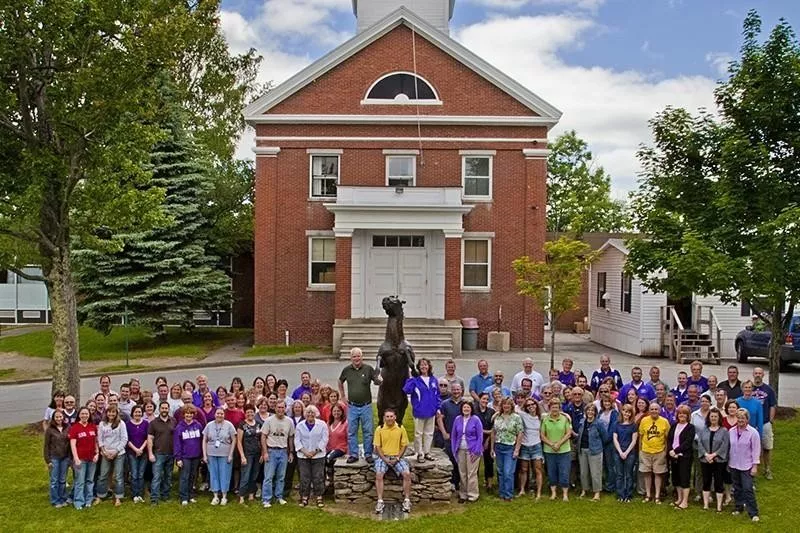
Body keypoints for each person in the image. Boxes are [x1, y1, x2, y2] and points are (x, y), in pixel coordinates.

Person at [339, 347, 381, 464]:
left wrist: (380, 378)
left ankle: (368, 454)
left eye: (358, 356)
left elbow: (377, 381)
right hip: (352, 407)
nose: (356, 358)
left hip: (366, 406)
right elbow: (340, 381)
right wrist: (342, 395)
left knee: (368, 431)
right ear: (351, 358)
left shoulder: (368, 369)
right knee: (352, 431)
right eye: (354, 356)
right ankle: (354, 454)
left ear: (362, 357)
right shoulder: (347, 370)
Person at [402, 357, 439, 463]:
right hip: (419, 411)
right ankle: (419, 453)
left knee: (429, 433)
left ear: (429, 367)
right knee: (418, 433)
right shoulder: (415, 380)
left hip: (431, 411)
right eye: (421, 365)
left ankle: (427, 452)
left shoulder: (433, 380)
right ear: (418, 367)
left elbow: (437, 395)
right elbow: (406, 390)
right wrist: (409, 378)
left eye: (426, 364)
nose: (424, 367)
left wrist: (438, 408)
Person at [261, 400, 295, 508]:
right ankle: (266, 499)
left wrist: (291, 452)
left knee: (281, 477)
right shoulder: (269, 421)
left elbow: (290, 437)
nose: (280, 410)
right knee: (269, 477)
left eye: (282, 408)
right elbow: (263, 436)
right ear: (275, 408)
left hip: (283, 451)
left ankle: (279, 496)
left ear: (285, 409)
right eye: (278, 407)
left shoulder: (289, 421)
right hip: (271, 450)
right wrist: (265, 452)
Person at [728, 408, 761, 522]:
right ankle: (738, 507)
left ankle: (753, 513)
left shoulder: (753, 432)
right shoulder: (731, 431)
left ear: (747, 419)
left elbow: (756, 450)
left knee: (747, 489)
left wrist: (755, 466)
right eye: (739, 417)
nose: (740, 420)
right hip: (734, 464)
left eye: (743, 418)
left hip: (747, 465)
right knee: (737, 488)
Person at [294, 405, 329, 508]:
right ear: (305, 414)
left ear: (316, 414)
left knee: (318, 476)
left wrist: (315, 451)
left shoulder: (322, 424)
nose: (310, 414)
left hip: (318, 455)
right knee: (305, 477)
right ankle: (304, 497)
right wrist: (305, 452)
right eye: (308, 412)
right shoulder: (300, 425)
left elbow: (325, 439)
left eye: (312, 412)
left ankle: (319, 496)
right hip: (303, 456)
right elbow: (297, 440)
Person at [451, 401, 484, 503]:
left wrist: (477, 451)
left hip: (473, 450)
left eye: (468, 408)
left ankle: (473, 495)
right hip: (460, 449)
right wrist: (454, 450)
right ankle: (463, 494)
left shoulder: (476, 420)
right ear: (461, 409)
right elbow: (454, 435)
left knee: (471, 473)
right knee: (462, 472)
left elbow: (480, 436)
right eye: (464, 407)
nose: (466, 409)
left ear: (471, 409)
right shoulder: (457, 419)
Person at [697, 407, 729, 512]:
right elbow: (700, 443)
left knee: (719, 482)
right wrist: (706, 455)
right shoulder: (703, 430)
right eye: (711, 416)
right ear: (709, 418)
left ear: (719, 418)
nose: (713, 418)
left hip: (719, 461)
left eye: (715, 416)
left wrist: (714, 455)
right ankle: (706, 504)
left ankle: (719, 506)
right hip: (705, 460)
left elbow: (725, 445)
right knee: (706, 481)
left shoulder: (724, 431)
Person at [490, 397, 523, 502]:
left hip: (510, 447)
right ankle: (502, 493)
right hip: (499, 446)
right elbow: (493, 432)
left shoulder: (516, 417)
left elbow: (520, 433)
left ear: (511, 406)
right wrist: (492, 448)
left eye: (508, 404)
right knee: (500, 471)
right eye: (504, 404)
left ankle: (508, 495)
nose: (506, 406)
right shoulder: (497, 417)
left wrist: (517, 449)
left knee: (508, 472)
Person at [540, 398, 572, 502]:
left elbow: (568, 433)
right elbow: (542, 435)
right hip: (549, 450)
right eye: (553, 407)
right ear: (549, 408)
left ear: (559, 408)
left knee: (564, 472)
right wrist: (551, 444)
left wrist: (559, 443)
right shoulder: (545, 420)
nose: (554, 409)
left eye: (556, 407)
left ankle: (565, 494)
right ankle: (553, 493)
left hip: (564, 450)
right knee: (551, 472)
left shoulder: (564, 419)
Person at [203, 407, 236, 505]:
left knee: (225, 474)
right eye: (218, 413)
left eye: (221, 414)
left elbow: (234, 439)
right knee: (213, 474)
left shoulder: (229, 425)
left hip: (225, 454)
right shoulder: (209, 425)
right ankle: (215, 496)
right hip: (211, 454)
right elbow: (204, 440)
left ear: (224, 415)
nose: (219, 415)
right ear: (214, 414)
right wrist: (204, 455)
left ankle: (224, 496)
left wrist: (230, 454)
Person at [638, 402, 670, 504]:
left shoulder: (664, 422)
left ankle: (657, 496)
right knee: (646, 473)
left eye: (656, 409)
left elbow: (667, 438)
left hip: (659, 452)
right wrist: (640, 450)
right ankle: (648, 494)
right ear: (649, 410)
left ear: (659, 411)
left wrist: (665, 451)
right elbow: (641, 436)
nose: (654, 411)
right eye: (652, 409)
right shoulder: (644, 420)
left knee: (658, 474)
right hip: (645, 451)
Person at [96, 406, 128, 507]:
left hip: (118, 453)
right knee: (103, 475)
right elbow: (100, 439)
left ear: (116, 413)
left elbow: (124, 439)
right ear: (106, 413)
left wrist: (115, 451)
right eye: (109, 412)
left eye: (113, 412)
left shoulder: (121, 423)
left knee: (118, 476)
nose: (111, 414)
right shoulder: (102, 424)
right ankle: (101, 495)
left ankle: (118, 497)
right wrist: (104, 451)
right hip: (105, 453)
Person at [68, 406, 99, 510]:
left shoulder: (92, 427)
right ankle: (78, 501)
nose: (84, 415)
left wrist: (97, 453)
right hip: (80, 458)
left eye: (86, 414)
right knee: (80, 481)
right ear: (79, 415)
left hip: (92, 458)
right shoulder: (75, 428)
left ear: (89, 415)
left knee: (90, 480)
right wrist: (76, 458)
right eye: (82, 414)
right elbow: (73, 444)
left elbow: (96, 442)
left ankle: (88, 500)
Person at [437, 382, 466, 491]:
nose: (456, 392)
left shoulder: (465, 403)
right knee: (451, 460)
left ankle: (462, 483)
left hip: (462, 438)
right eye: (454, 390)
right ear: (451, 390)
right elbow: (439, 418)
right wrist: (444, 433)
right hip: (450, 437)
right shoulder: (445, 404)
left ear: (461, 390)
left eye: (458, 389)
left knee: (461, 461)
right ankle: (452, 483)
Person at [667, 405, 695, 509]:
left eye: (684, 413)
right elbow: (669, 439)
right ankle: (679, 498)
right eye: (680, 413)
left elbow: (687, 442)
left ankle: (685, 501)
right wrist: (670, 450)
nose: (681, 415)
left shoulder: (690, 427)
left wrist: (676, 450)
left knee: (684, 478)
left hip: (684, 456)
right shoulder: (674, 425)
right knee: (676, 478)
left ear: (688, 416)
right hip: (673, 456)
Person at [174, 406, 203, 506]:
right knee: (184, 477)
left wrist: (202, 455)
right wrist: (178, 458)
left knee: (192, 476)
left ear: (193, 414)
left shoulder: (198, 425)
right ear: (183, 415)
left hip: (196, 456)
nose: (189, 415)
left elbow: (201, 441)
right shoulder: (179, 427)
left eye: (191, 413)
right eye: (187, 413)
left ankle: (191, 495)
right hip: (185, 457)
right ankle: (183, 497)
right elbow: (177, 444)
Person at [576, 403, 606, 501]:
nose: (590, 412)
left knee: (595, 473)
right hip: (582, 449)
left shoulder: (599, 423)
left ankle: (597, 493)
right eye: (588, 410)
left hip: (595, 451)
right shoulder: (582, 421)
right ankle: (584, 490)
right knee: (583, 472)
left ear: (595, 412)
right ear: (585, 412)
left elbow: (604, 437)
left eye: (592, 410)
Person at [148, 401, 175, 505]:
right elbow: (150, 438)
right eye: (162, 408)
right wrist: (150, 453)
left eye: (166, 408)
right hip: (158, 453)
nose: (164, 410)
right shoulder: (153, 423)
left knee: (168, 476)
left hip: (171, 453)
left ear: (168, 409)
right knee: (157, 477)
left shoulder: (173, 421)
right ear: (159, 409)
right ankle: (154, 498)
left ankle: (165, 495)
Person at [752, 367, 776, 480]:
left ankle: (767, 469)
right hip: (751, 423)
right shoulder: (748, 388)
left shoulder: (769, 390)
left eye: (759, 373)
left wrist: (770, 420)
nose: (757, 375)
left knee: (767, 447)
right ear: (753, 374)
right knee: (752, 448)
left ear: (763, 375)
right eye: (756, 373)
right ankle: (752, 470)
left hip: (765, 422)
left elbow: (772, 405)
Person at [517, 398, 544, 499]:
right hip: (525, 445)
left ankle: (539, 493)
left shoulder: (541, 417)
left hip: (536, 445)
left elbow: (555, 412)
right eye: (528, 405)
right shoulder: (523, 415)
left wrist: (566, 415)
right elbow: (510, 409)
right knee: (523, 469)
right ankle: (522, 490)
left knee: (538, 470)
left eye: (533, 404)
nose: (531, 406)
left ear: (536, 405)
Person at [44, 409, 71, 508]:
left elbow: (69, 442)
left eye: (60, 417)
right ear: (53, 418)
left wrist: (69, 457)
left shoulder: (67, 427)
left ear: (63, 417)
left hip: (65, 457)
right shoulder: (50, 430)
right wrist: (48, 460)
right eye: (57, 417)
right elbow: (46, 446)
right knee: (54, 480)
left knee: (62, 479)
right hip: (54, 457)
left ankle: (63, 498)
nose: (59, 419)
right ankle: (55, 500)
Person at [237, 404, 262, 503]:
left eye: (251, 412)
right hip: (247, 454)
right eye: (248, 412)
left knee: (254, 475)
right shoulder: (242, 425)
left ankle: (251, 494)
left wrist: (262, 454)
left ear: (254, 412)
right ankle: (242, 496)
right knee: (245, 475)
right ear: (245, 413)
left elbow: (261, 439)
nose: (250, 414)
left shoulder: (259, 424)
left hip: (257, 453)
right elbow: (239, 441)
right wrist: (242, 456)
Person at [613, 404, 638, 503]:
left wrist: (626, 452)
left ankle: (628, 495)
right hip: (618, 452)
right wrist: (620, 452)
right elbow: (615, 438)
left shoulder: (634, 425)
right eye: (624, 411)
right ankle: (620, 494)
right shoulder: (617, 424)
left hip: (630, 453)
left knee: (629, 474)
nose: (626, 413)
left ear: (631, 413)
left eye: (628, 412)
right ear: (622, 412)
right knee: (619, 474)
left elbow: (634, 440)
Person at [596, 395, 619, 493]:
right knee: (604, 464)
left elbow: (613, 428)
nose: (606, 404)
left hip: (609, 443)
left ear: (612, 403)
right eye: (605, 402)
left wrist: (606, 439)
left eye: (608, 402)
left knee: (610, 464)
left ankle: (611, 486)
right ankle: (605, 483)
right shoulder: (600, 412)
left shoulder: (614, 413)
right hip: (600, 442)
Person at [474, 392, 496, 491]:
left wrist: (487, 440)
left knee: (489, 461)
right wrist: (482, 431)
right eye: (483, 399)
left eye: (487, 399)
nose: (485, 401)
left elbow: (493, 428)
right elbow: (473, 427)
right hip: (475, 440)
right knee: (475, 462)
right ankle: (474, 483)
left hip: (488, 439)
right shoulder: (474, 411)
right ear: (479, 399)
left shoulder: (491, 411)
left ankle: (489, 484)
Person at [325, 402, 348, 486]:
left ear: (342, 412)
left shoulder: (345, 423)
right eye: (334, 411)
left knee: (328, 458)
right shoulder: (328, 423)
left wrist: (349, 451)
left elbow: (349, 438)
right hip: (329, 448)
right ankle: (325, 479)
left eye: (338, 411)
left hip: (341, 448)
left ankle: (330, 478)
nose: (336, 413)